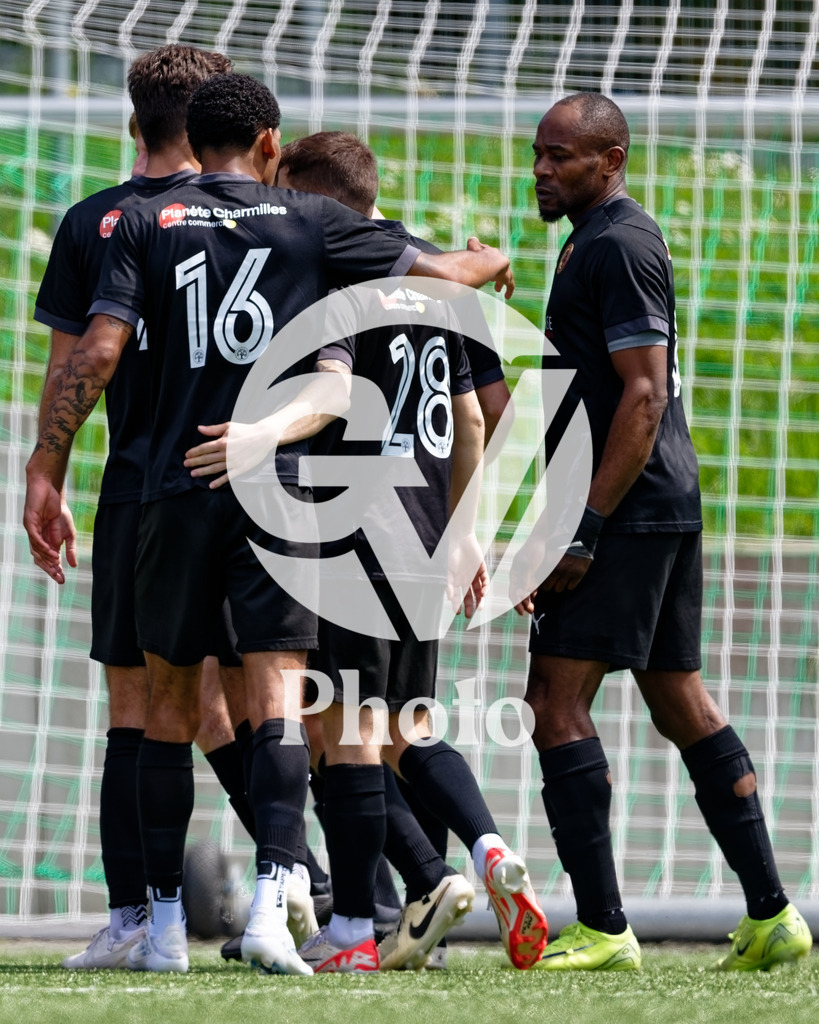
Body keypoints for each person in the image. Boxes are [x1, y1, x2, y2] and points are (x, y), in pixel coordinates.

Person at [24, 73, 514, 976]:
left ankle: (159, 927)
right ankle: (275, 904)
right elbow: (449, 285)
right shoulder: (311, 223)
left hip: (168, 489)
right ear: (268, 145)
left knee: (162, 706)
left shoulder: (137, 223)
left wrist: (44, 463)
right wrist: (486, 260)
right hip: (283, 491)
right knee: (287, 701)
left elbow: (97, 351)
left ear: (162, 132)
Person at [186, 130, 547, 974]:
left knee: (334, 730)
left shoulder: (342, 272)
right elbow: (469, 418)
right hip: (427, 533)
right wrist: (464, 535)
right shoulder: (432, 276)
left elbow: (329, 391)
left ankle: (355, 916)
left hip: (351, 529)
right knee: (403, 727)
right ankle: (480, 851)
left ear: (318, 200)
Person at [519, 91, 811, 972]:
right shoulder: (590, 238)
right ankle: (771, 916)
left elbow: (642, 396)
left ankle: (603, 927)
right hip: (653, 502)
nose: (541, 169)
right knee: (677, 695)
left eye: (561, 156)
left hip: (628, 509)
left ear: (609, 161)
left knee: (551, 704)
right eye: (538, 153)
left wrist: (582, 528)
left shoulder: (618, 243)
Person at [30, 43, 252, 971]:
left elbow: (79, 360)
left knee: (135, 705)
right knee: (260, 706)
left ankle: (136, 918)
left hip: (140, 487)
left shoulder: (96, 222)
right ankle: (321, 894)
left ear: (134, 121)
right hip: (256, 494)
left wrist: (44, 473)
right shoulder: (264, 219)